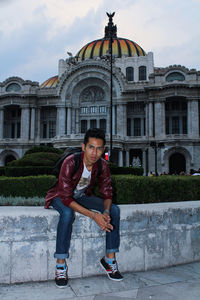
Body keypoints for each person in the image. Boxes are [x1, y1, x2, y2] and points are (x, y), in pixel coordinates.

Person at [45, 128, 123, 288]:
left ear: (103, 150)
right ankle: (60, 264)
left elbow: (107, 191)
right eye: (91, 147)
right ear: (83, 147)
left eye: (99, 148)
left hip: (81, 196)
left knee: (114, 209)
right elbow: (66, 198)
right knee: (67, 213)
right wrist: (94, 216)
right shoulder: (71, 162)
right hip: (60, 196)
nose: (95, 153)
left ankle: (109, 259)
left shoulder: (102, 165)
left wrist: (105, 213)